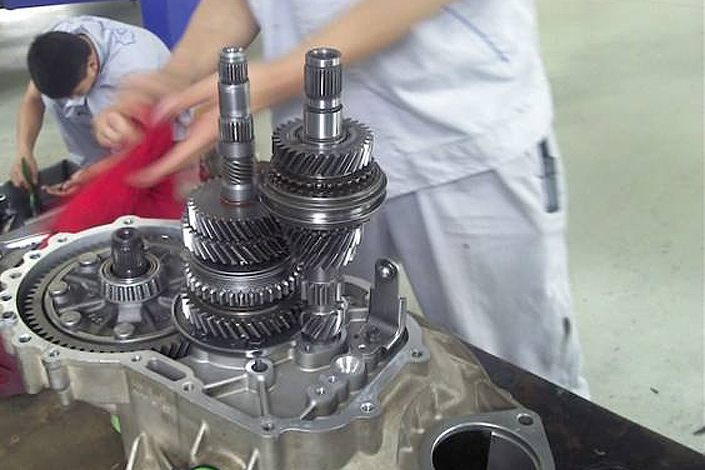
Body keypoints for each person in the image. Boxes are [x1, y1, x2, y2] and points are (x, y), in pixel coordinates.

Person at [93, 0, 589, 396]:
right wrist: (175, 78)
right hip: (313, 175)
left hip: (459, 140)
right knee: (326, 364)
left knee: (516, 384)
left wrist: (279, 77)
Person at [11, 15, 170, 195]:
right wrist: (24, 150)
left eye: (76, 92)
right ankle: (95, 169)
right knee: (53, 100)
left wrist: (92, 175)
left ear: (92, 64)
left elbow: (145, 146)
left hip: (160, 128)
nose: (70, 102)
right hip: (118, 119)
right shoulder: (53, 49)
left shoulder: (133, 71)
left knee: (141, 179)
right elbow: (33, 99)